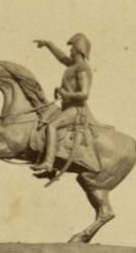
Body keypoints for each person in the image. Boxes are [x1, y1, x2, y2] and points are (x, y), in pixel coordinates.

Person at [30, 33, 96, 176]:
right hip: (67, 108)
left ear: (79, 50)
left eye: (72, 48)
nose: (70, 51)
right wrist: (49, 44)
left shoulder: (82, 68)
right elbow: (61, 57)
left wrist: (66, 94)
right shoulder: (73, 65)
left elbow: (84, 94)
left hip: (76, 110)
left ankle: (48, 164)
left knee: (52, 126)